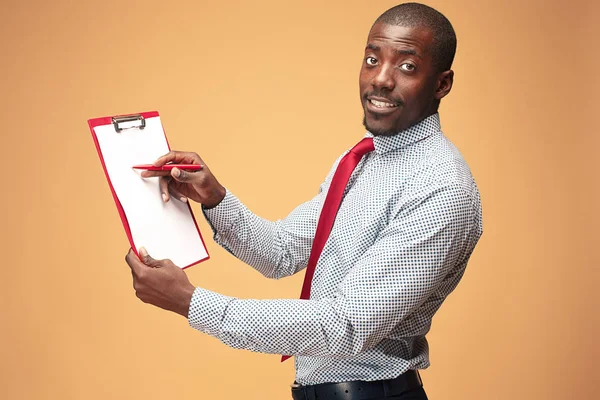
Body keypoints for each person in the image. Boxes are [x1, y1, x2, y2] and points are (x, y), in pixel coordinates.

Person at [125, 3, 483, 399]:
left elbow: (346, 324)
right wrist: (214, 197)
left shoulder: (442, 189)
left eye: (407, 67)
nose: (380, 79)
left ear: (442, 84)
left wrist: (192, 302)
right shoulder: (361, 160)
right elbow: (281, 252)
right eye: (371, 59)